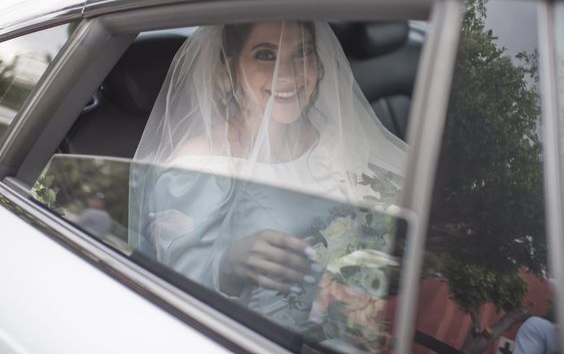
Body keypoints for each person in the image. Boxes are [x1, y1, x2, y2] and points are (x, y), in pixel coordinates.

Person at [128, 20, 406, 329]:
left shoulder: (334, 139)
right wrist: (229, 265)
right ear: (229, 68)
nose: (287, 74)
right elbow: (178, 296)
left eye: (302, 53)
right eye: (265, 55)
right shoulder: (198, 165)